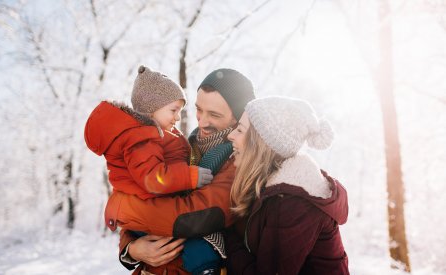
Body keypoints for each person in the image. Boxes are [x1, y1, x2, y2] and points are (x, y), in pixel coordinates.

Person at [103, 68, 256, 274]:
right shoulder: (179, 146)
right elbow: (140, 191)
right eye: (199, 109)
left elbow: (195, 214)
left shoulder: (239, 162)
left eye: (214, 114)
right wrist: (132, 249)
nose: (202, 121)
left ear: (238, 118)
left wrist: (125, 208)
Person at [84, 65, 222, 274]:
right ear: (152, 108)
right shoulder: (142, 139)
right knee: (199, 250)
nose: (178, 118)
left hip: (154, 221)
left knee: (196, 247)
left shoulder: (161, 137)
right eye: (173, 110)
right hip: (150, 226)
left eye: (181, 111)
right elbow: (152, 178)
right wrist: (132, 251)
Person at [226, 96, 349, 274]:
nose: (231, 135)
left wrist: (224, 240)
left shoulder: (292, 204)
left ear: (259, 143)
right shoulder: (271, 188)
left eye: (240, 129)